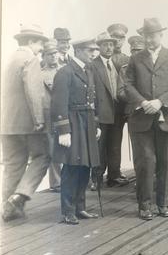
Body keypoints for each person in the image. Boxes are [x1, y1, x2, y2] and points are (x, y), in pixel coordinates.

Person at [124, 18, 168, 220]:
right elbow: (128, 85)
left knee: (166, 162)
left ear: (161, 35)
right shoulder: (135, 58)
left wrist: (160, 102)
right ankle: (144, 205)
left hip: (166, 116)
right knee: (145, 162)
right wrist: (143, 103)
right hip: (141, 118)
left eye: (153, 35)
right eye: (146, 36)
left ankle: (163, 203)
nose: (149, 39)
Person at [1, 25, 51, 221]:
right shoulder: (30, 59)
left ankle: (8, 208)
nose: (41, 48)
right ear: (31, 42)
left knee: (13, 165)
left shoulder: (10, 59)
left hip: (6, 123)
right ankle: (20, 195)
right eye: (40, 44)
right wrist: (39, 119)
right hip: (27, 123)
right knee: (43, 156)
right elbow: (34, 91)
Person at [51, 38, 102, 224]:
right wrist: (64, 130)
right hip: (73, 123)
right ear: (78, 50)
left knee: (85, 166)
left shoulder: (88, 70)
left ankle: (80, 208)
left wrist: (96, 125)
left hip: (87, 122)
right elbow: (58, 103)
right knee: (72, 167)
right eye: (90, 50)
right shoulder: (65, 72)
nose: (94, 53)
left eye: (95, 50)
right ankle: (67, 210)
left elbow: (92, 102)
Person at [89, 31, 127, 191]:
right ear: (99, 47)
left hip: (117, 111)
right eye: (105, 45)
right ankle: (96, 178)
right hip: (101, 112)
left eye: (111, 44)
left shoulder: (117, 64)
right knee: (100, 146)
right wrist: (94, 113)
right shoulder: (93, 65)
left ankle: (114, 176)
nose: (109, 48)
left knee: (115, 144)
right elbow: (90, 90)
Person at [40, 39, 65, 193]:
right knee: (52, 147)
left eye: (55, 53)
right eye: (49, 54)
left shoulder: (64, 69)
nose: (53, 57)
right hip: (48, 114)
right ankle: (56, 183)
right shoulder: (40, 74)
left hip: (64, 113)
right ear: (44, 56)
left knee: (67, 145)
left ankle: (68, 180)